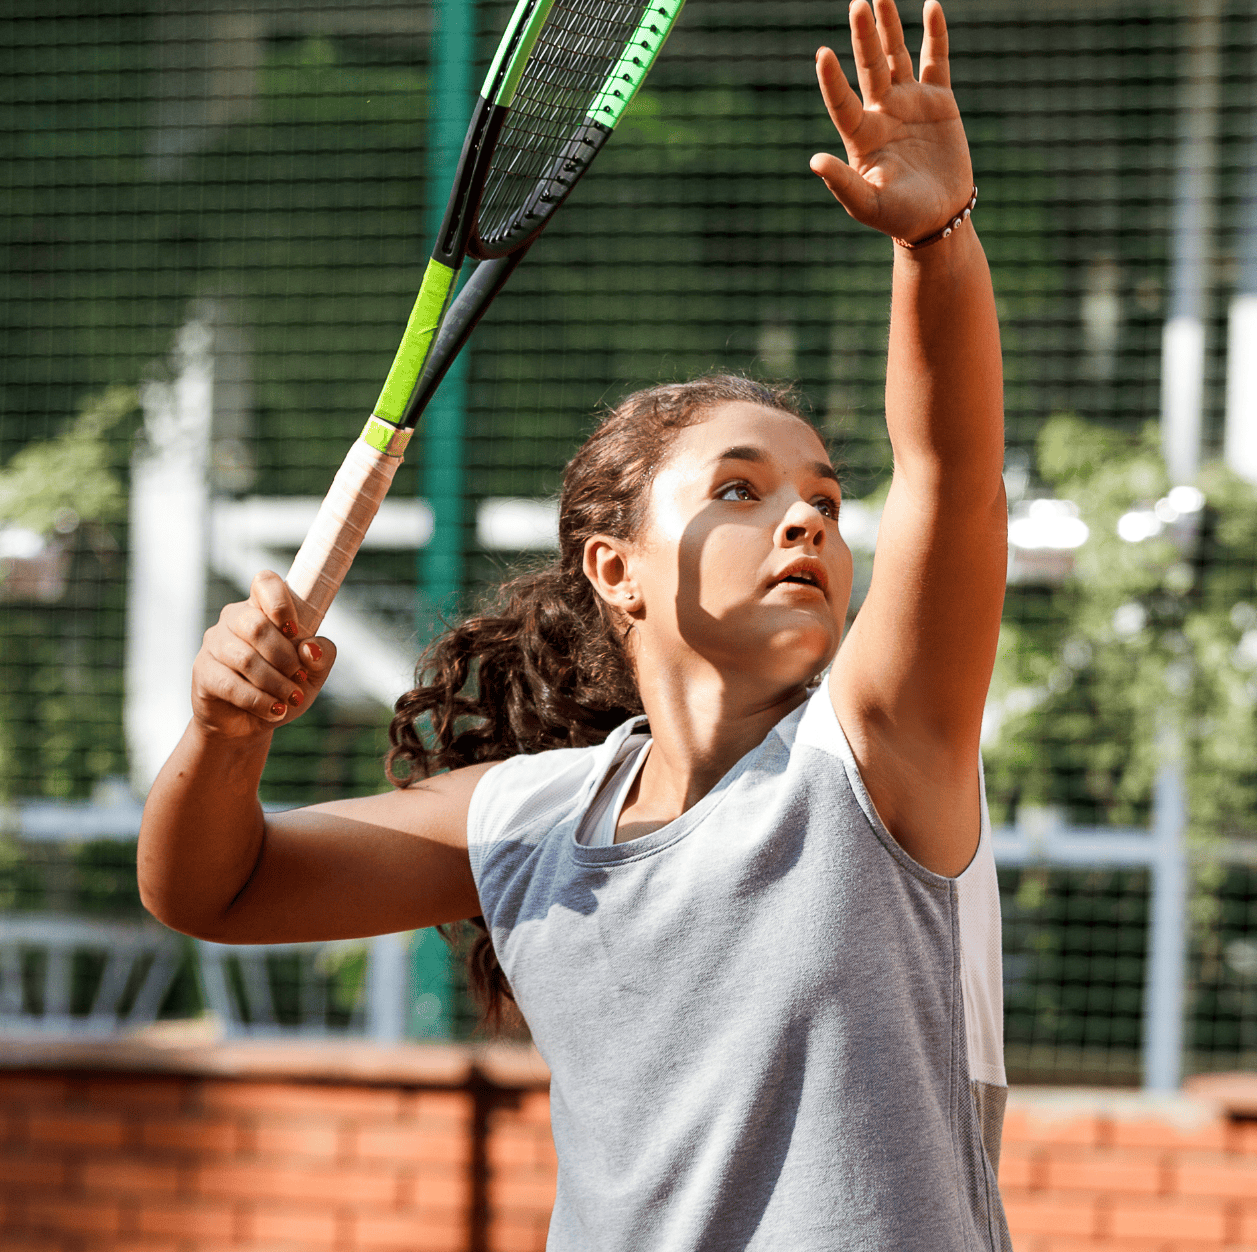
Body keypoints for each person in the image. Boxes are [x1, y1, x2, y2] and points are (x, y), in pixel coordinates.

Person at [139, 0, 1010, 1246]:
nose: (806, 520)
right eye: (738, 491)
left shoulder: (877, 757)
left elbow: (948, 474)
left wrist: (934, 240)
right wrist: (225, 729)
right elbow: (212, 887)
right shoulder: (536, 817)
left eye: (823, 496)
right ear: (617, 567)